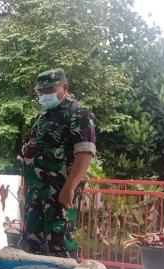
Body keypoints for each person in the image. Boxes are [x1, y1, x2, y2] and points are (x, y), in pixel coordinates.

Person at [21, 68, 96, 258]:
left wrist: (70, 187)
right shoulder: (45, 115)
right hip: (36, 191)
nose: (45, 95)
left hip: (59, 192)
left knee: (59, 241)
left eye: (49, 90)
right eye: (41, 92)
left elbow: (84, 153)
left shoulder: (78, 114)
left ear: (65, 87)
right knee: (33, 242)